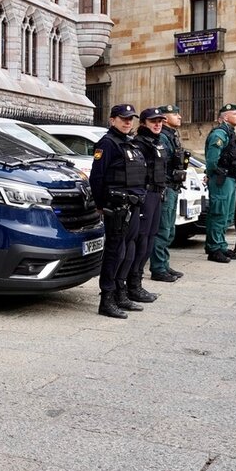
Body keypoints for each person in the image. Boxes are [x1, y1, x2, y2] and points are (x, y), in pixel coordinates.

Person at [89, 103, 147, 318]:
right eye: (123, 118)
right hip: (116, 207)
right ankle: (107, 299)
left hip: (131, 205)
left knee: (126, 251)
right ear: (112, 120)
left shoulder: (128, 143)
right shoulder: (107, 143)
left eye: (131, 118)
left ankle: (121, 293)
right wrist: (101, 205)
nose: (128, 122)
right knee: (114, 252)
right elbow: (97, 177)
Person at [126, 106, 168, 302]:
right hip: (145, 196)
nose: (158, 124)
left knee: (150, 240)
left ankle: (137, 283)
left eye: (160, 121)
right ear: (143, 123)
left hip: (157, 194)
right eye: (153, 121)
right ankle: (132, 286)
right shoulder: (138, 143)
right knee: (141, 241)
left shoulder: (156, 142)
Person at [149, 105, 187, 283]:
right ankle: (158, 268)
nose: (179, 116)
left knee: (169, 229)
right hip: (166, 187)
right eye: (175, 114)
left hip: (173, 186)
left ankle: (164, 263)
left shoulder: (171, 135)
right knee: (163, 229)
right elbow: (160, 165)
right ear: (165, 118)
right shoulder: (163, 137)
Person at [204, 103, 236, 263]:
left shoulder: (229, 133)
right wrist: (212, 174)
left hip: (230, 178)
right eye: (235, 113)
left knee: (226, 214)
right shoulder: (220, 133)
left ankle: (220, 245)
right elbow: (212, 159)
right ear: (225, 117)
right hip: (221, 179)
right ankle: (214, 249)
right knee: (218, 213)